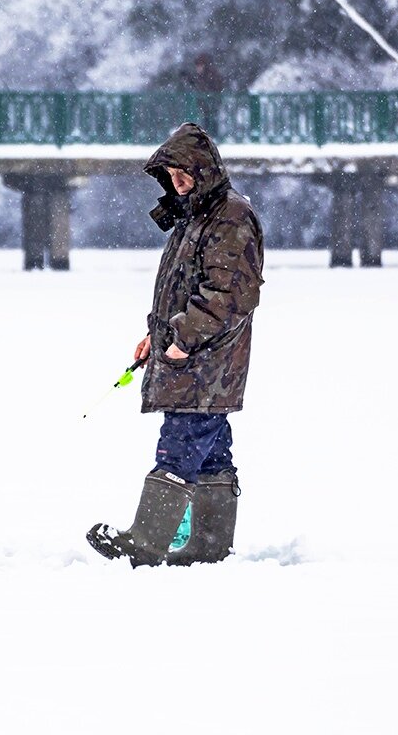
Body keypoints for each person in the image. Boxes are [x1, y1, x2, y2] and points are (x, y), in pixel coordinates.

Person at [87, 122, 264, 568]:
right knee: (210, 447)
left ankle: (145, 542)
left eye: (184, 174)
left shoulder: (231, 216)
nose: (178, 183)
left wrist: (183, 339)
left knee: (181, 442)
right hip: (190, 355)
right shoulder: (194, 218)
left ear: (205, 170)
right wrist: (157, 335)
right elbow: (183, 290)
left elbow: (229, 295)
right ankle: (208, 546)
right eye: (171, 177)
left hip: (208, 358)